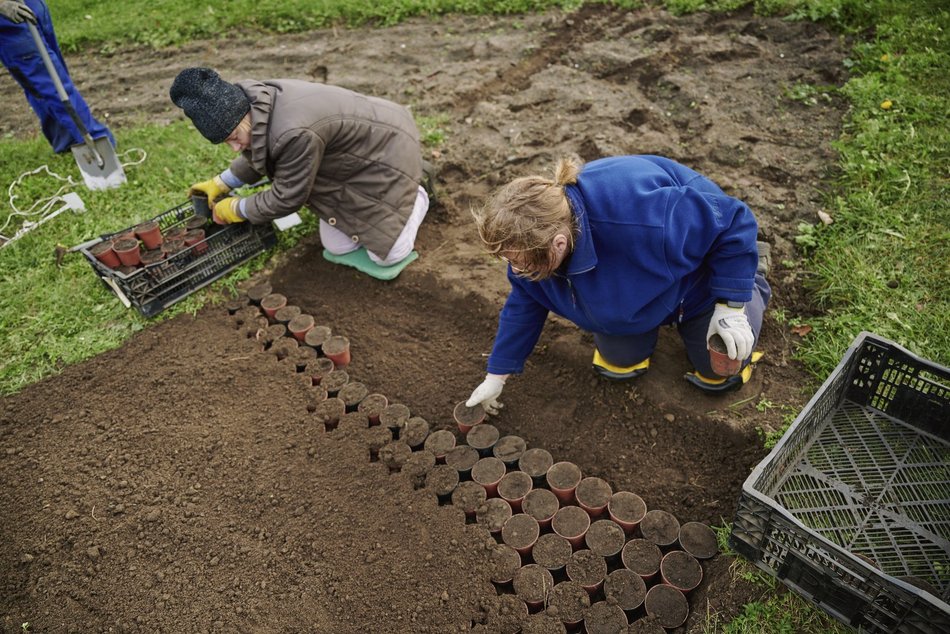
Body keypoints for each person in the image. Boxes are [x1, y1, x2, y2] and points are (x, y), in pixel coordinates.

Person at [465, 155, 772, 415]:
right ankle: (643, 322)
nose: (517, 270)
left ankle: (751, 277)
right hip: (634, 291)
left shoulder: (646, 218)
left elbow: (733, 220)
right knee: (619, 364)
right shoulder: (531, 254)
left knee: (720, 369)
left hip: (695, 284)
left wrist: (730, 306)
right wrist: (497, 374)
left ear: (559, 243)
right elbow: (525, 302)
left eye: (523, 263)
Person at [169, 67, 430, 268]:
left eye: (234, 138)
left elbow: (287, 197)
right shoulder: (255, 104)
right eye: (227, 143)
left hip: (387, 151)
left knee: (386, 257)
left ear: (241, 115)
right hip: (351, 160)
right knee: (338, 246)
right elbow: (259, 149)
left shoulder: (293, 132)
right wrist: (223, 182)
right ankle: (387, 210)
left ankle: (415, 195)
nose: (235, 148)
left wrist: (237, 208)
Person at [0, 0, 115, 153]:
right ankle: (93, 143)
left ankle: (76, 141)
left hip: (28, 6)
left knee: (51, 77)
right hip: (7, 14)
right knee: (47, 81)